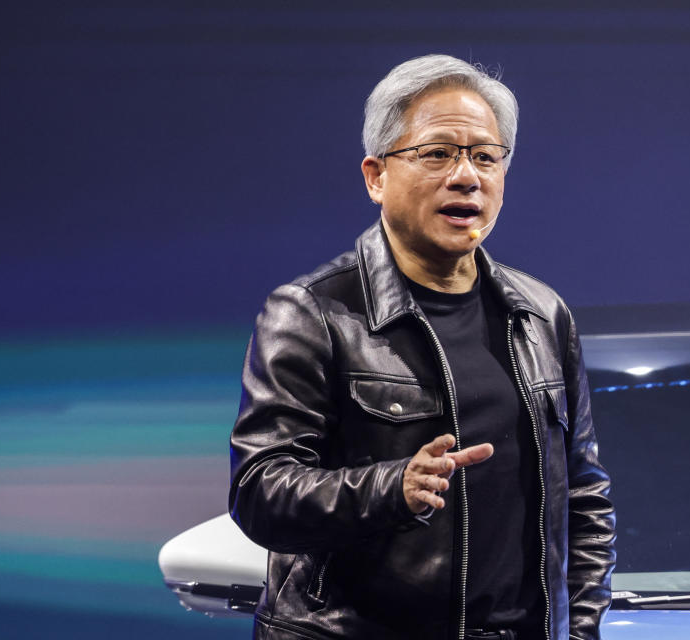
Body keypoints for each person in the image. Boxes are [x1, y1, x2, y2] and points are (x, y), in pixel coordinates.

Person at [228, 54, 615, 640]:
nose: (467, 176)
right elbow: (260, 491)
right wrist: (393, 488)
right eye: (437, 154)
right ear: (376, 176)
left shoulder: (543, 315)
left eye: (486, 156)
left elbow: (584, 501)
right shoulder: (313, 312)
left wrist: (578, 630)